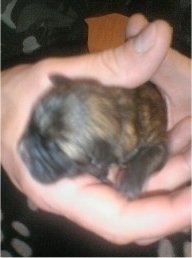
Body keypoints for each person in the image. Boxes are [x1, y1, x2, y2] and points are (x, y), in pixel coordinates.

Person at [2, 12, 191, 251]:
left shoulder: (139, 131)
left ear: (101, 159)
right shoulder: (90, 112)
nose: (26, 148)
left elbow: (158, 147)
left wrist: (138, 171)